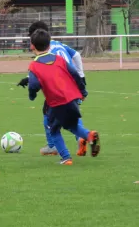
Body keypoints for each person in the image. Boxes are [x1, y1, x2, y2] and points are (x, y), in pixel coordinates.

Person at [27, 29, 100, 165]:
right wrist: (83, 92)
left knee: (53, 130)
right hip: (71, 98)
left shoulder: (34, 65)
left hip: (56, 102)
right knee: (72, 126)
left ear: (32, 45)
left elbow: (33, 85)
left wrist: (31, 96)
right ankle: (89, 135)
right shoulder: (59, 59)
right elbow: (74, 73)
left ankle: (66, 158)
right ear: (49, 45)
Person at [18, 21, 87, 157]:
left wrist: (32, 85)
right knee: (72, 112)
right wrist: (82, 77)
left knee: (50, 116)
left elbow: (45, 69)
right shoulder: (58, 44)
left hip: (58, 86)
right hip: (73, 83)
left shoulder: (46, 51)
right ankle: (81, 137)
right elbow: (76, 56)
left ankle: (54, 146)